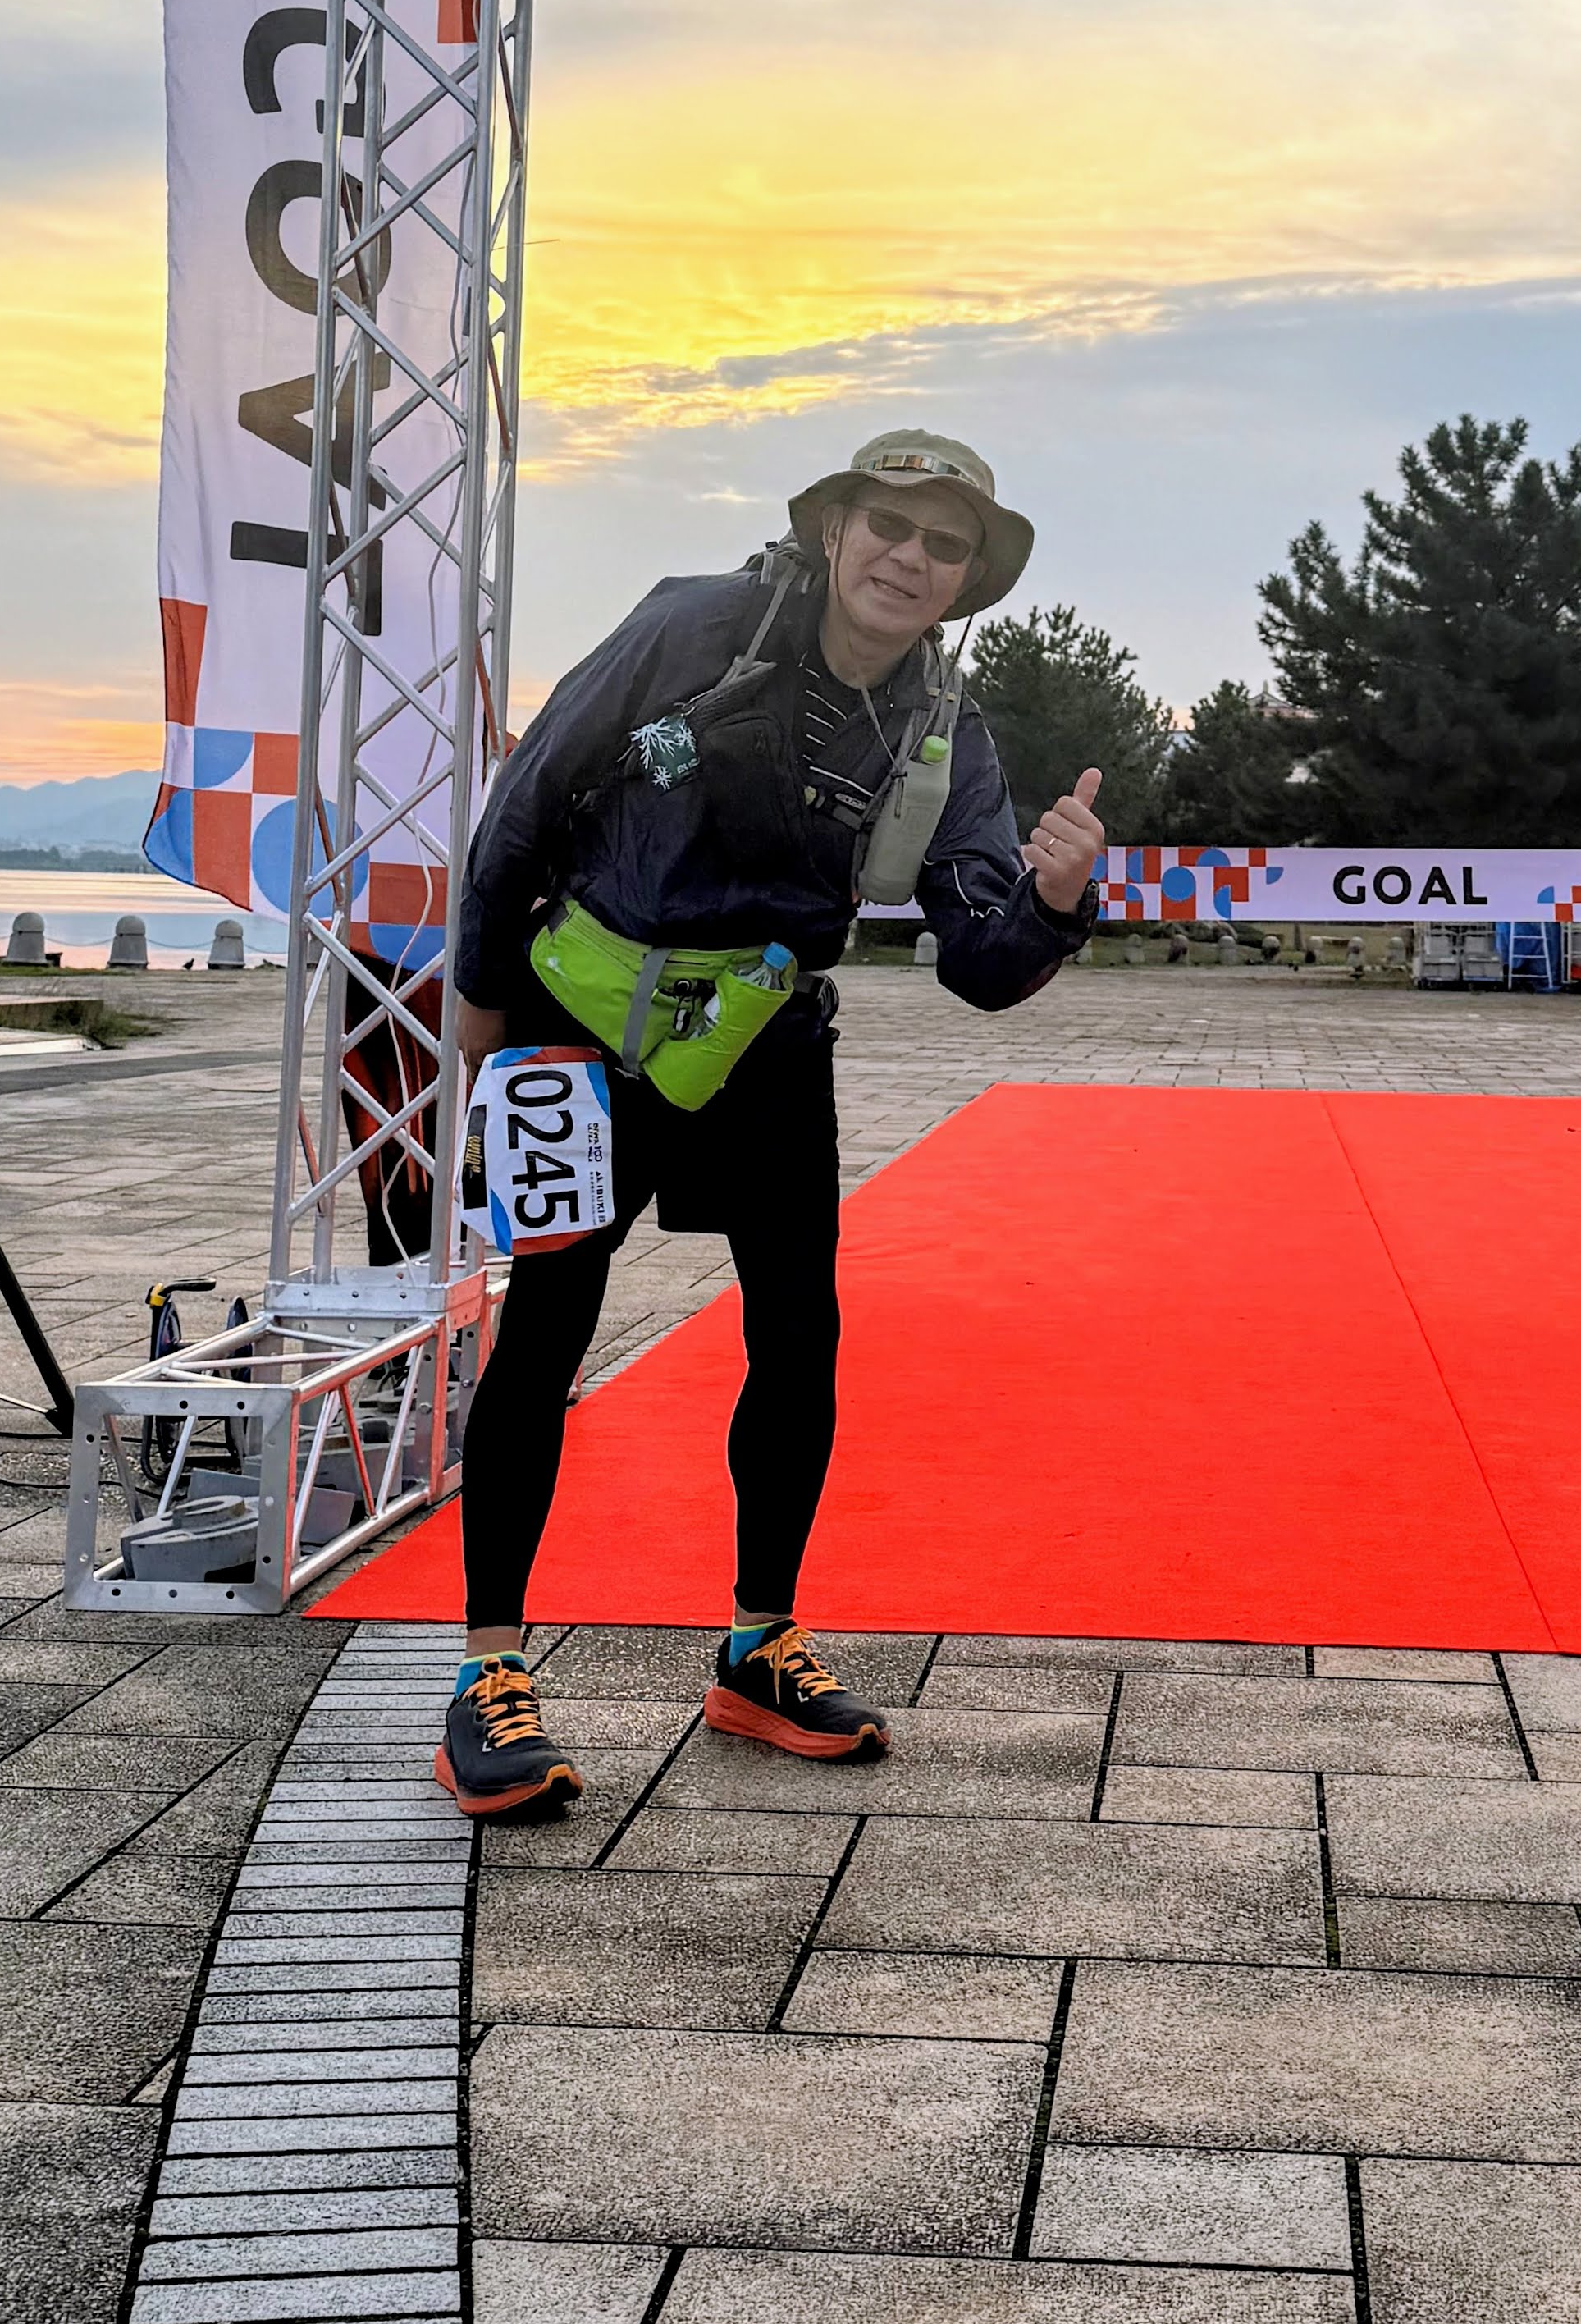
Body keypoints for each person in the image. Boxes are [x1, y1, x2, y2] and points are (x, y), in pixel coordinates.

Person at [432, 429, 1104, 1817]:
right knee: (546, 1323)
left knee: (799, 1338)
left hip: (764, 1038)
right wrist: (482, 1005)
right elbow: (526, 798)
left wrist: (1051, 899)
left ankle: (758, 1646)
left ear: (968, 576)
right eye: (889, 525)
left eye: (945, 544)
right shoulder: (692, 624)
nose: (910, 558)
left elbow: (980, 965)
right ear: (832, 526)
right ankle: (489, 1667)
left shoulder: (945, 730)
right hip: (579, 1021)